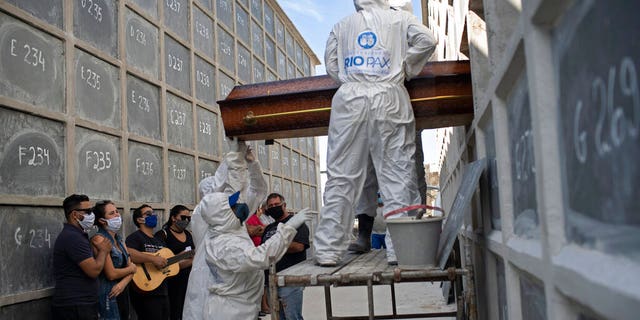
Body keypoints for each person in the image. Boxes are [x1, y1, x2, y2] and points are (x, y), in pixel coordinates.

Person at [314, 0, 437, 266]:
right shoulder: (400, 20)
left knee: (342, 175)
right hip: (389, 95)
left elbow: (332, 67)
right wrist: (405, 67)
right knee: (398, 173)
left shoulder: (341, 25)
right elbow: (427, 40)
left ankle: (327, 250)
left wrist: (352, 77)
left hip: (349, 99)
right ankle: (400, 250)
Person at [183, 137, 315, 320]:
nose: (237, 205)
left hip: (241, 304)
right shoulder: (207, 220)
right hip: (219, 300)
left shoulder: (229, 221)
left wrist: (248, 161)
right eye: (229, 203)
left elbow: (255, 190)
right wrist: (289, 227)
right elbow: (261, 257)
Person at [52, 194, 112, 320]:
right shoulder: (73, 237)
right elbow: (93, 271)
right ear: (74, 215)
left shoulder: (78, 235)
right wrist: (103, 251)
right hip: (75, 306)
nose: (92, 215)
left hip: (81, 304)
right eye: (88, 211)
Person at [262, 193, 310, 320]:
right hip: (271, 280)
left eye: (276, 204)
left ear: (284, 205)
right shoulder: (269, 228)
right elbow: (263, 251)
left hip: (290, 281)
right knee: (278, 317)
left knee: (292, 317)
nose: (273, 207)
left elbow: (299, 246)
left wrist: (275, 246)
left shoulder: (297, 223)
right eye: (270, 206)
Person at [93, 200, 137, 320]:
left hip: (122, 291)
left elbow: (132, 268)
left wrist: (123, 283)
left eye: (117, 212)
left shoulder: (120, 239)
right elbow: (111, 274)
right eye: (111, 213)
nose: (117, 215)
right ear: (102, 221)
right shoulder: (99, 239)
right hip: (109, 293)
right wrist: (131, 270)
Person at [126, 205, 170, 320]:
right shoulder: (135, 237)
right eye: (148, 214)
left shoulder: (159, 241)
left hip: (162, 291)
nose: (153, 216)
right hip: (145, 291)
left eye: (153, 213)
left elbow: (168, 263)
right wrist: (153, 259)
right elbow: (129, 253)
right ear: (139, 219)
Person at [155, 205, 195, 320]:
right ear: (173, 218)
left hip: (189, 283)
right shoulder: (163, 235)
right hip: (173, 284)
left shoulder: (189, 234)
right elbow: (164, 262)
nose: (186, 221)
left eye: (189, 218)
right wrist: (187, 257)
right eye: (183, 217)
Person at [245, 203, 273, 315]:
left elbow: (263, 229)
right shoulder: (250, 218)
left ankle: (263, 306)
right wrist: (261, 230)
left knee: (263, 282)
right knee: (259, 284)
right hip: (255, 252)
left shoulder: (256, 218)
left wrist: (262, 229)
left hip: (260, 252)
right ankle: (262, 306)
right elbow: (258, 230)